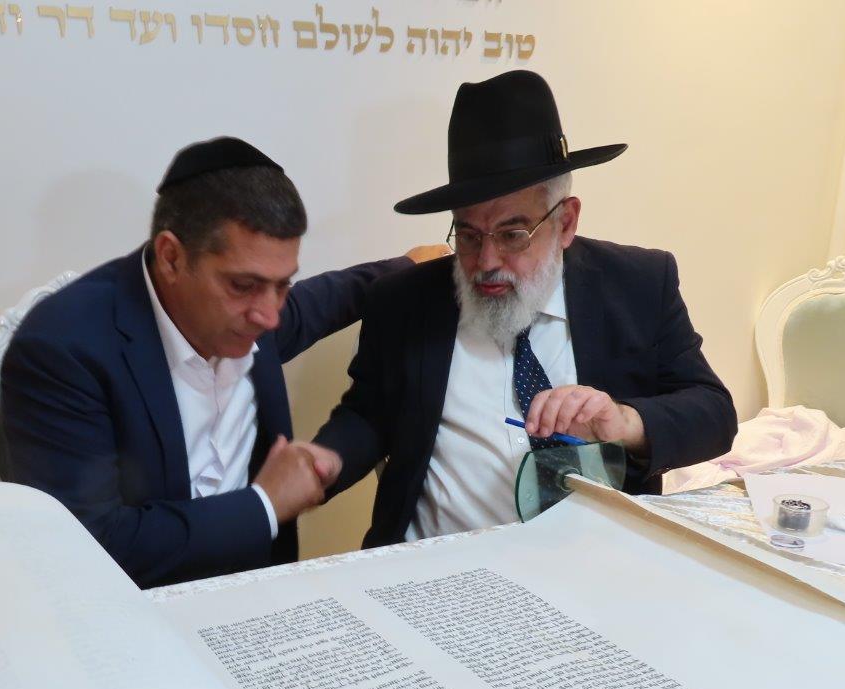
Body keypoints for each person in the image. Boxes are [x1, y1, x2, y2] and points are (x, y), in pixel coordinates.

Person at [310, 70, 737, 547]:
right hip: (440, 565)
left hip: (597, 563)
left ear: (566, 221)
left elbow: (714, 414)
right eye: (469, 235)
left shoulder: (638, 284)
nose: (487, 261)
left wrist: (624, 421)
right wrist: (315, 467)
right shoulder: (404, 301)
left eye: (513, 234)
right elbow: (368, 415)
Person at [1, 136, 445, 586]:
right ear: (172, 257)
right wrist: (265, 504)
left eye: (282, 284)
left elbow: (325, 299)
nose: (270, 316)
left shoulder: (251, 312)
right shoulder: (63, 350)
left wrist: (408, 266)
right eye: (244, 286)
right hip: (140, 609)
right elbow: (92, 546)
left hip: (264, 595)